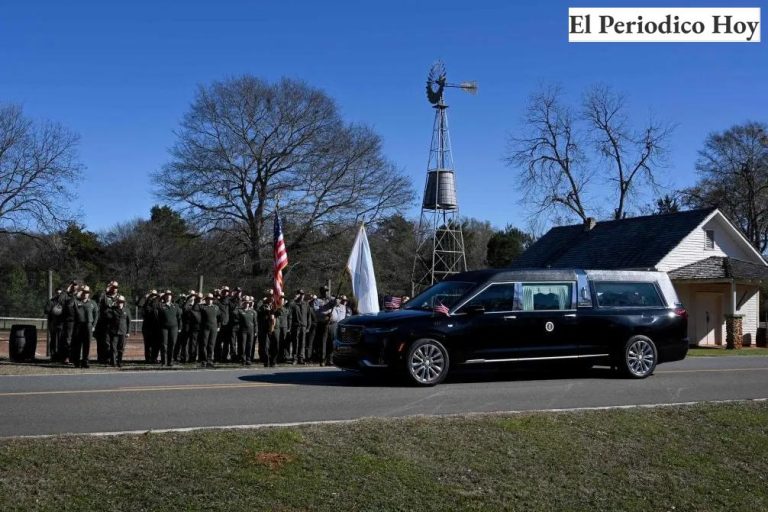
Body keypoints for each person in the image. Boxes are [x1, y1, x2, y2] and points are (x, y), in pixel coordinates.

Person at [71, 286, 98, 368]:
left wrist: (93, 326)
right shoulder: (76, 301)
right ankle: (76, 362)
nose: (85, 294)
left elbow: (96, 315)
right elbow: (69, 305)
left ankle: (85, 362)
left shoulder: (93, 303)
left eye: (87, 293)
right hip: (78, 325)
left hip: (88, 325)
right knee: (77, 344)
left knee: (87, 345)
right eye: (84, 292)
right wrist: (76, 296)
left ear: (89, 294)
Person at [95, 281, 119, 363]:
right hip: (104, 323)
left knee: (114, 342)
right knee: (105, 342)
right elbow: (97, 301)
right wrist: (105, 291)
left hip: (115, 323)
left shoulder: (119, 297)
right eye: (112, 287)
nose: (114, 289)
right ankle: (104, 358)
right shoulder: (103, 295)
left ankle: (113, 358)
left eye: (115, 287)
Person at [157, 290, 182, 366]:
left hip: (174, 328)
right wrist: (160, 298)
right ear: (164, 297)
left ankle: (170, 361)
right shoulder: (161, 305)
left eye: (170, 295)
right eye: (167, 295)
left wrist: (180, 327)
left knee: (172, 344)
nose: (168, 296)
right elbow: (158, 316)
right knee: (164, 345)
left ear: (172, 297)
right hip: (164, 328)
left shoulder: (176, 306)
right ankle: (163, 361)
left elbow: (179, 317)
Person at [55, 282, 78, 363]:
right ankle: (67, 357)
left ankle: (75, 357)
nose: (74, 288)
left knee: (77, 340)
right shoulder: (66, 296)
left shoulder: (79, 296)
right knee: (67, 340)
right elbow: (59, 300)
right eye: (73, 286)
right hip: (69, 322)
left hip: (79, 322)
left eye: (75, 286)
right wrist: (66, 291)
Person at [106, 295, 131, 367]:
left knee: (121, 348)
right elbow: (107, 315)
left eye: (121, 302)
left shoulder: (127, 310)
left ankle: (119, 361)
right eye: (119, 301)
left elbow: (129, 322)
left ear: (124, 302)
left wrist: (128, 332)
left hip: (123, 332)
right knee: (113, 348)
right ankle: (113, 362)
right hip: (114, 332)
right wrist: (112, 306)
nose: (120, 303)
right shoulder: (112, 309)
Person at [312, 286, 335, 366]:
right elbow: (317, 311)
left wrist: (335, 300)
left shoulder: (330, 299)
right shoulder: (317, 301)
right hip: (323, 323)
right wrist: (326, 314)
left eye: (327, 291)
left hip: (331, 324)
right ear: (321, 292)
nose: (326, 292)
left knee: (331, 342)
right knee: (323, 342)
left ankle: (330, 359)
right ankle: (322, 360)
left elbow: (337, 303)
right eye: (324, 291)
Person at [198, 293, 221, 368]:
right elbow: (195, 310)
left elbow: (219, 317)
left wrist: (219, 326)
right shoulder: (202, 307)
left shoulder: (216, 307)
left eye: (211, 299)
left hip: (214, 328)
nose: (210, 301)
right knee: (204, 344)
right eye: (208, 299)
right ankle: (203, 360)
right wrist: (199, 301)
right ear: (206, 300)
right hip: (205, 328)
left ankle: (209, 360)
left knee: (211, 344)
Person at [140, 290, 160, 363]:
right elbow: (140, 304)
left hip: (156, 328)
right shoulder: (146, 305)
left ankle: (154, 358)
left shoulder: (158, 303)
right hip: (147, 328)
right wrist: (145, 297)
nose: (153, 296)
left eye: (155, 295)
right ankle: (148, 359)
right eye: (152, 295)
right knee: (147, 345)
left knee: (156, 344)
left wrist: (159, 297)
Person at [288, 290, 308, 364]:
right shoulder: (293, 304)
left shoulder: (306, 304)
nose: (302, 295)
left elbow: (308, 316)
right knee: (295, 342)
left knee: (302, 343)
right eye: (300, 294)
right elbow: (290, 315)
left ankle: (301, 358)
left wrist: (308, 326)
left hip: (303, 326)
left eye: (303, 294)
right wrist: (289, 327)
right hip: (296, 326)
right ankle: (295, 358)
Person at [327, 296, 349, 365]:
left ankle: (340, 359)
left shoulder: (344, 307)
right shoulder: (332, 307)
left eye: (339, 299)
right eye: (337, 299)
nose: (338, 301)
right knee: (332, 342)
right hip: (333, 325)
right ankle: (330, 359)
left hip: (342, 326)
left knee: (341, 344)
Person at [257, 294, 277, 367]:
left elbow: (279, 312)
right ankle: (267, 361)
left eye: (273, 297)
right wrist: (269, 311)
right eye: (270, 297)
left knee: (274, 345)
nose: (272, 298)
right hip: (266, 328)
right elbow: (260, 311)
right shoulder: (263, 306)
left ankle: (273, 361)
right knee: (266, 346)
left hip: (274, 328)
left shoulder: (275, 306)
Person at [237, 296, 257, 365]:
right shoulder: (239, 311)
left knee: (250, 345)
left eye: (248, 303)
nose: (247, 304)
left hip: (251, 331)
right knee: (243, 345)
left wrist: (256, 331)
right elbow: (235, 315)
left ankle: (248, 359)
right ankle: (243, 359)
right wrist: (240, 305)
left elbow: (255, 322)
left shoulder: (253, 312)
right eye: (245, 303)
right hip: (243, 331)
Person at [44, 289, 63, 360]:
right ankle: (53, 355)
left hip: (62, 324)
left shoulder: (63, 302)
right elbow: (46, 311)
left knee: (61, 340)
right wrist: (53, 310)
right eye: (57, 293)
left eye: (60, 293)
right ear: (55, 293)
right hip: (53, 324)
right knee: (54, 340)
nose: (59, 294)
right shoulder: (51, 301)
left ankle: (60, 355)